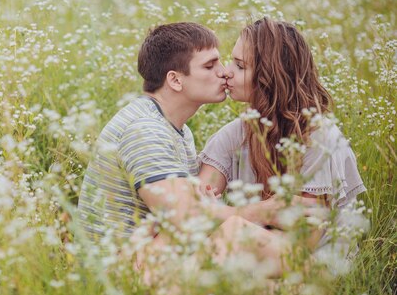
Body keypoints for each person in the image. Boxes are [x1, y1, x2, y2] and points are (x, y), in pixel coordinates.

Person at [198, 17, 366, 263]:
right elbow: (195, 213)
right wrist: (260, 212)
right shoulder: (234, 134)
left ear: (271, 76)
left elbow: (302, 240)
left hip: (313, 267)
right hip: (251, 257)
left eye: (240, 66)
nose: (226, 73)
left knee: (231, 232)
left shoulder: (319, 138)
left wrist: (224, 215)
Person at [76, 22, 227, 244]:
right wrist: (260, 212)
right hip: (118, 271)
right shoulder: (145, 129)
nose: (224, 72)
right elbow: (188, 219)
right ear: (175, 80)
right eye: (209, 66)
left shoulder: (178, 130)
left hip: (147, 257)